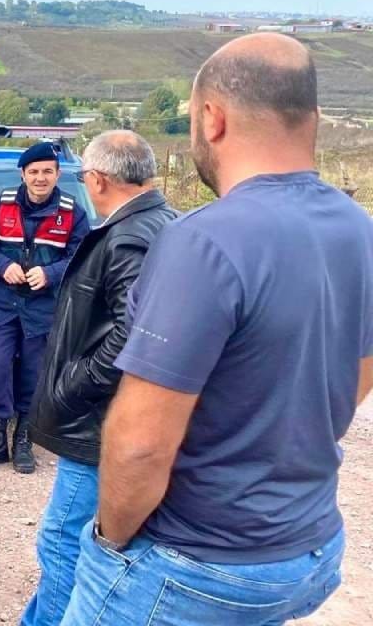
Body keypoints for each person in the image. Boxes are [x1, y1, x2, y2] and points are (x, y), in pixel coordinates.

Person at [61, 33, 373, 625]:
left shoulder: (202, 242)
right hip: (305, 549)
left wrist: (108, 538)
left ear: (212, 117)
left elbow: (141, 443)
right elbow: (354, 379)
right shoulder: (358, 228)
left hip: (195, 565)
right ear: (311, 116)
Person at [19, 131, 177, 626]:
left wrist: (73, 386)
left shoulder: (129, 236)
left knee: (63, 542)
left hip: (102, 427)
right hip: (124, 420)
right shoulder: (164, 221)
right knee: (74, 544)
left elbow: (137, 333)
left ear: (98, 179)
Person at [0, 142, 89, 473]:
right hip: (4, 305)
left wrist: (50, 273)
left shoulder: (72, 212)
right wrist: (2, 265)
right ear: (23, 174)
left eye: (47, 171)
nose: (40, 178)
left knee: (35, 376)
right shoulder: (0, 205)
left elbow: (82, 256)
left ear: (58, 174)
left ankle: (24, 442)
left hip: (44, 308)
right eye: (33, 172)